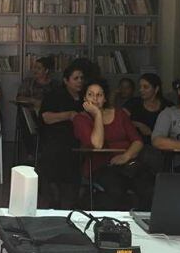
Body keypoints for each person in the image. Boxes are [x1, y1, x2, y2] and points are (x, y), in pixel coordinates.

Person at [73, 80, 153, 210]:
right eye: (90, 94)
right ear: (84, 99)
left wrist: (126, 156)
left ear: (105, 98)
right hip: (100, 167)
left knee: (148, 187)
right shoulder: (81, 119)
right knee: (117, 189)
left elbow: (137, 141)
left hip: (128, 163)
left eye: (99, 95)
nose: (95, 98)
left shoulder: (120, 114)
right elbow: (97, 144)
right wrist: (98, 114)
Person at [37, 62, 85, 209]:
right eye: (75, 78)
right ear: (66, 80)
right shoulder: (55, 95)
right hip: (57, 137)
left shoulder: (86, 97)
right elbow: (46, 117)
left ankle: (73, 196)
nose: (79, 81)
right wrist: (69, 115)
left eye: (81, 78)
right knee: (57, 150)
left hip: (80, 139)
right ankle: (54, 194)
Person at [123, 73, 171, 145]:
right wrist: (137, 124)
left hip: (159, 145)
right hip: (134, 144)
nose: (141, 90)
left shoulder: (167, 106)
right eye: (140, 87)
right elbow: (120, 121)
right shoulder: (132, 103)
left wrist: (151, 132)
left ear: (156, 89)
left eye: (145, 87)